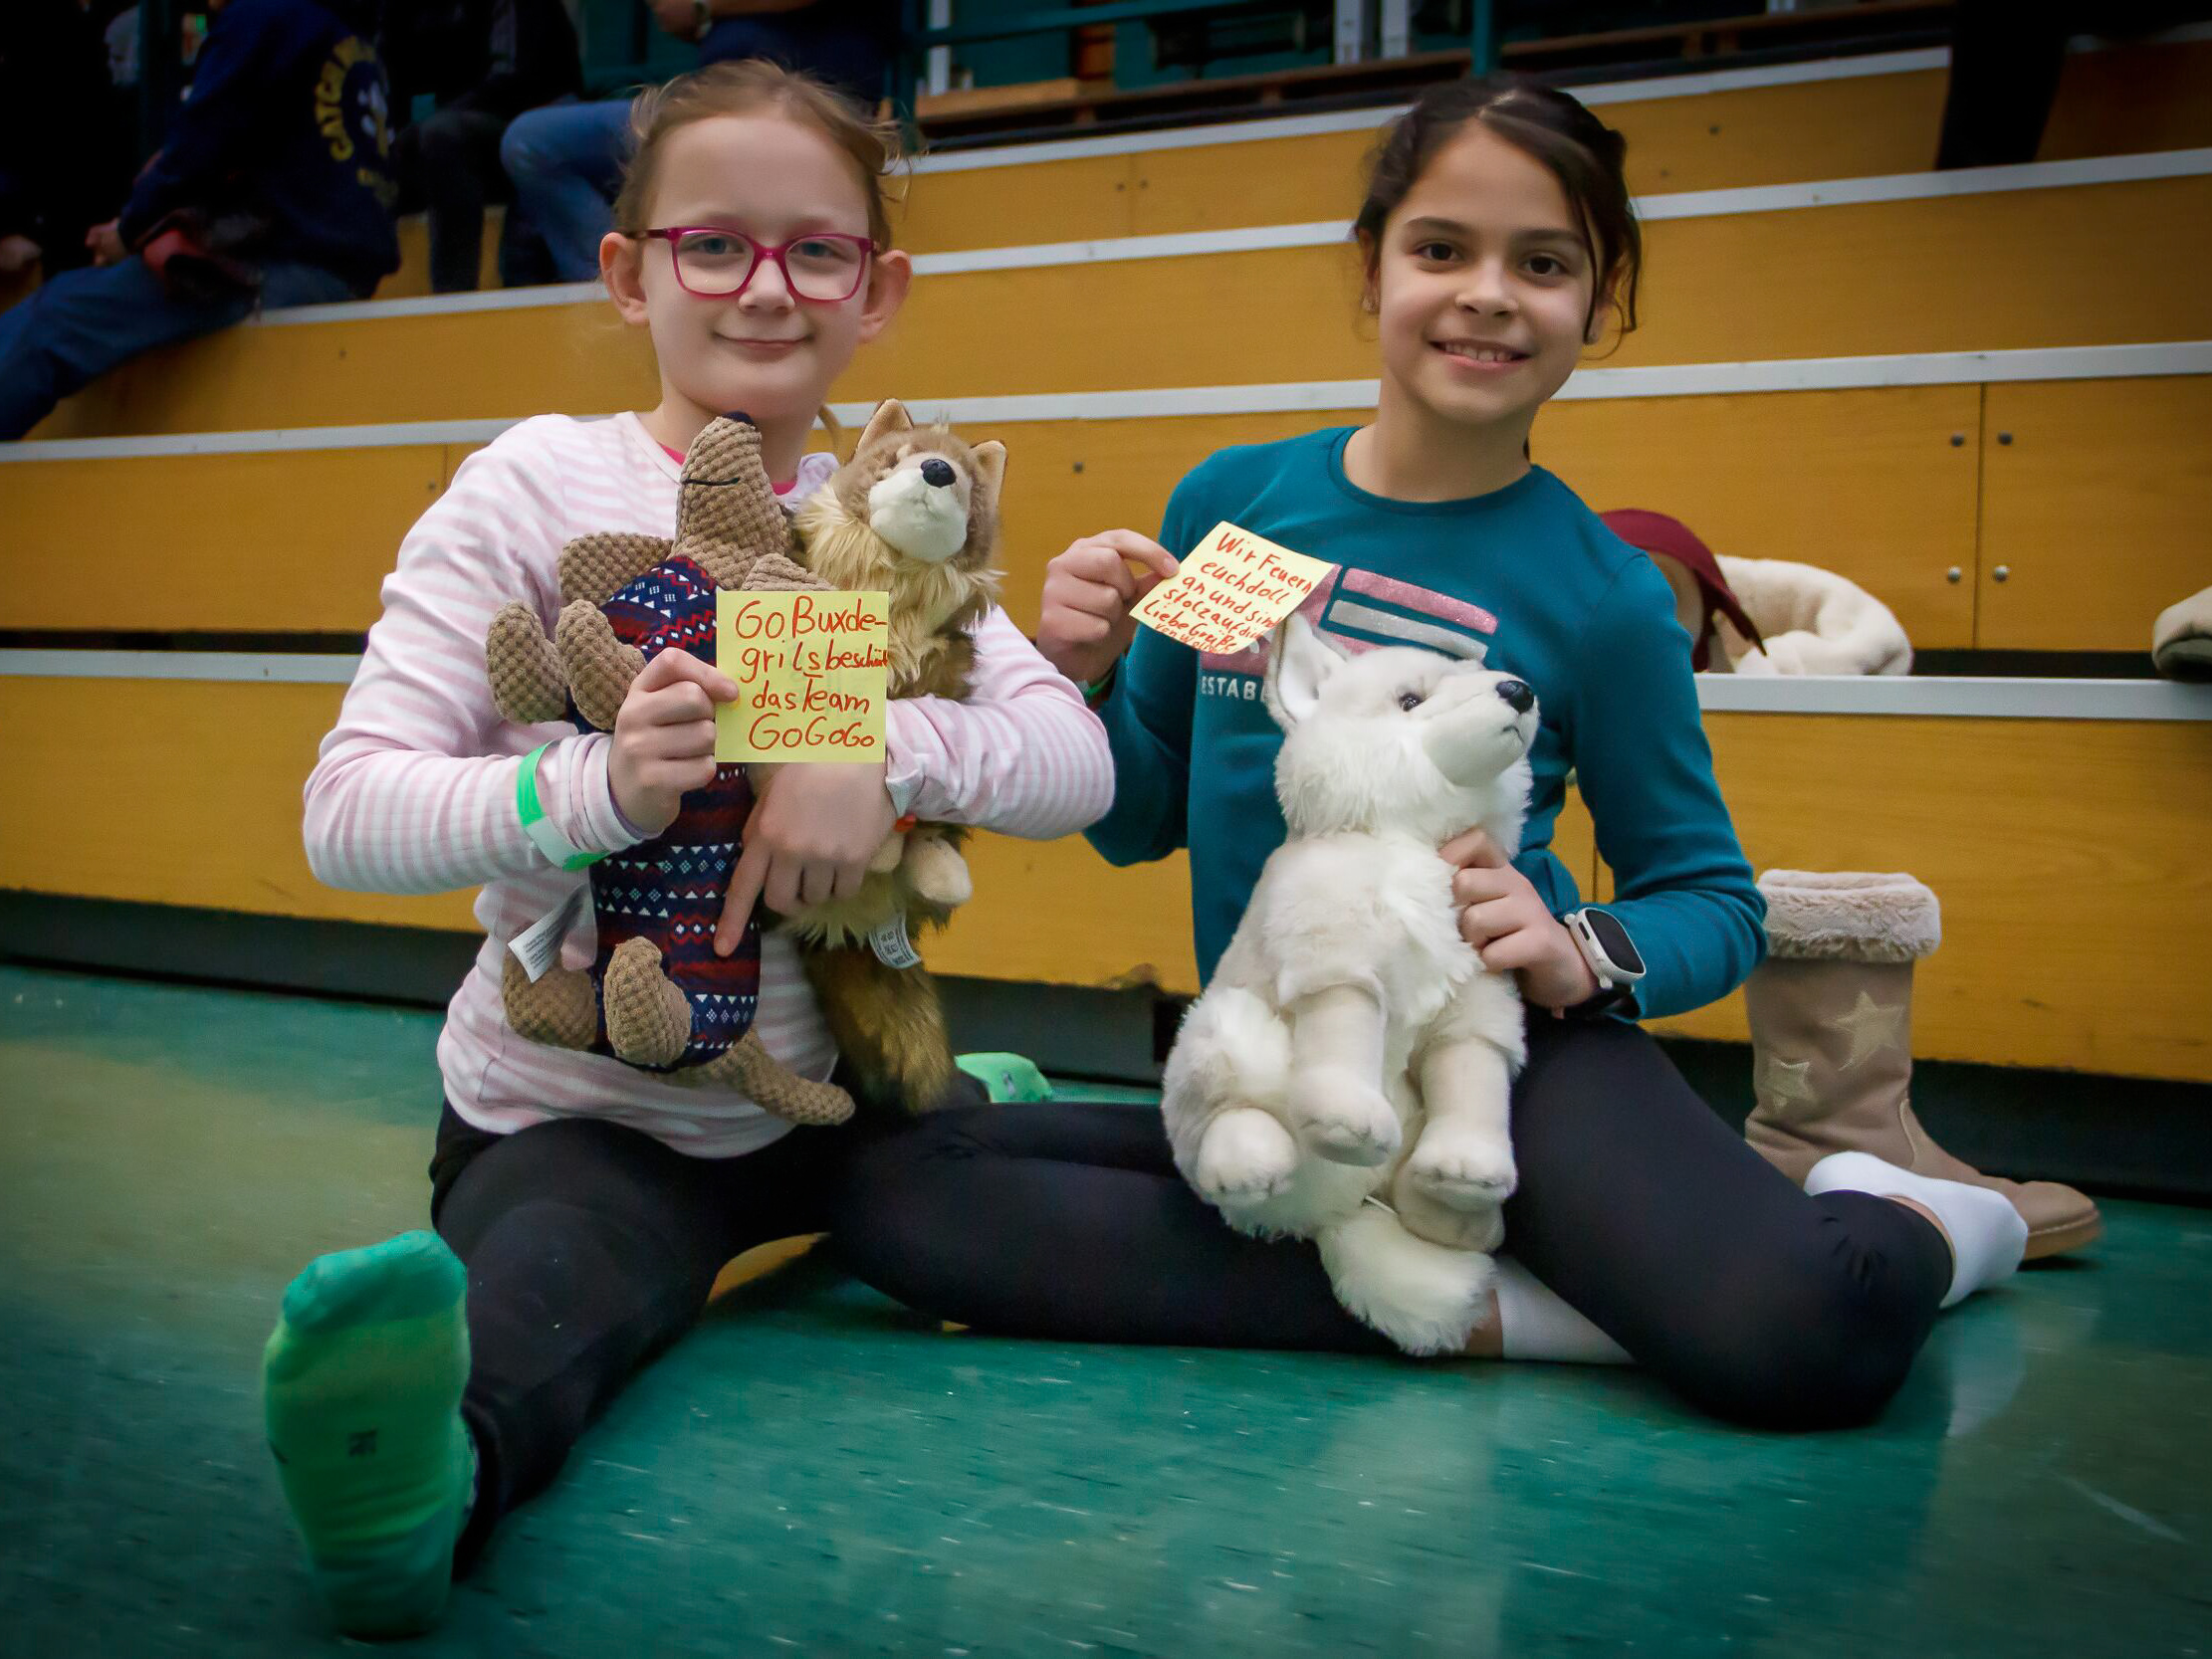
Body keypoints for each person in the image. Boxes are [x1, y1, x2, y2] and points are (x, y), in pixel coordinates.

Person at [829, 76, 2034, 1431]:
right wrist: (1087, 674)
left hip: (1500, 1059)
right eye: (1442, 248)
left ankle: (1922, 1214)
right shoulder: (1233, 505)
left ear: (1600, 302)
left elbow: (1712, 898)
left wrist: (1581, 947)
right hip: (1288, 1058)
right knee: (894, 1191)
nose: (1487, 294)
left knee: (1807, 1334)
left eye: (1544, 264)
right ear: (1372, 269)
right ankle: (1509, 1302)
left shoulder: (1604, 594)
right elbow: (1140, 813)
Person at [258, 60, 1112, 1637]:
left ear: (876, 289)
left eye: (815, 250)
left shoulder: (887, 512)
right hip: (583, 1113)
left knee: (1006, 1228)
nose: (764, 287)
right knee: (554, 1282)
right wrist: (595, 788)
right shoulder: (537, 483)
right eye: (711, 244)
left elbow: (1075, 762)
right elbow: (346, 809)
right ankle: (426, 1480)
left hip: (829, 1106)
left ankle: (1397, 1241)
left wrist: (868, 745)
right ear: (628, 270)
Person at [0, 0, 398, 440]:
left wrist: (127, 231)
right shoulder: (340, 28)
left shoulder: (262, 15)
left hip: (281, 269)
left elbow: (196, 152)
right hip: (339, 273)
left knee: (56, 317)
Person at [499, 0, 897, 284]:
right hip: (711, 98)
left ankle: (640, 285)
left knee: (536, 140)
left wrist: (702, 6)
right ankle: (626, 284)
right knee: (533, 141)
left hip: (816, 101)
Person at [381, 0, 581, 291]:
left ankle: (454, 294)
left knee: (440, 136)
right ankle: (349, 292)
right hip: (465, 126)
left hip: (535, 123)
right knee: (379, 156)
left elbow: (513, 78)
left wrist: (421, 130)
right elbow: (392, 75)